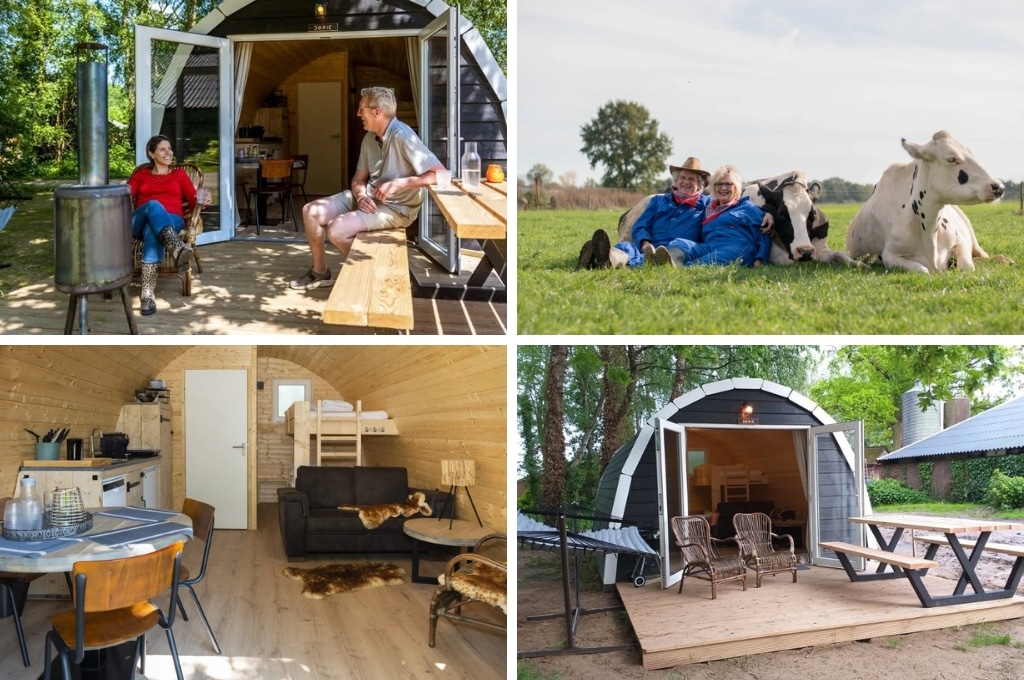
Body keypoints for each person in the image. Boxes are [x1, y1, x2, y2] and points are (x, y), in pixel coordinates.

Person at [290, 86, 446, 290]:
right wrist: (361, 195)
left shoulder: (403, 136)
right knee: (310, 211)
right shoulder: (368, 138)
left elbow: (442, 175)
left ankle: (379, 273)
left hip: (397, 209)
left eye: (361, 109)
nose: (358, 114)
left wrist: (401, 183)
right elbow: (358, 179)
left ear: (377, 112)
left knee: (337, 229)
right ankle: (320, 272)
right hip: (370, 198)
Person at [576, 157, 712, 269]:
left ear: (699, 185)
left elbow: (725, 207)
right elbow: (641, 225)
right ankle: (608, 257)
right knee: (626, 248)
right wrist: (645, 243)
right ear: (676, 181)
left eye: (691, 179)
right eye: (682, 177)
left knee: (653, 256)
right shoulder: (658, 200)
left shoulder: (706, 204)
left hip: (676, 250)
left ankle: (597, 260)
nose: (685, 182)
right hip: (649, 248)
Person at [127, 135, 198, 316]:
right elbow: (126, 193)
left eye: (170, 148)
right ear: (152, 154)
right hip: (140, 220)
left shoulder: (179, 175)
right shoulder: (140, 175)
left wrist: (203, 200)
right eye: (162, 149)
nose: (169, 152)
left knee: (153, 232)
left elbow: (194, 200)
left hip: (173, 220)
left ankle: (147, 295)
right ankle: (176, 247)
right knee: (153, 205)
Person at [656, 165, 772, 268]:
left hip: (735, 248)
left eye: (728, 184)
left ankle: (683, 269)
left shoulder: (748, 208)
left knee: (710, 260)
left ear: (735, 187)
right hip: (709, 247)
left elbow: (763, 234)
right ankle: (672, 262)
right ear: (713, 187)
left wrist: (760, 259)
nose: (723, 188)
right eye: (719, 184)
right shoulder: (708, 207)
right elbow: (687, 200)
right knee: (679, 243)